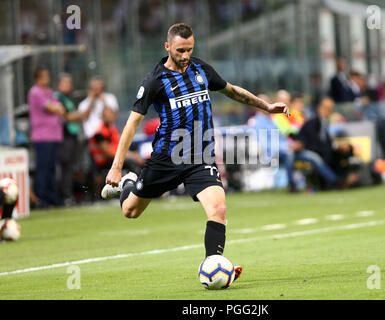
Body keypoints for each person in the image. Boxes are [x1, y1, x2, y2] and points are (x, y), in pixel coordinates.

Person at [101, 23, 290, 282]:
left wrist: (266, 106)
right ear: (167, 47)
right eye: (180, 50)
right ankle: (128, 182)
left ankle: (214, 266)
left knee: (218, 209)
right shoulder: (155, 81)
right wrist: (116, 166)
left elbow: (232, 91)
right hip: (167, 157)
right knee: (130, 211)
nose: (185, 55)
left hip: (200, 156)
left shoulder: (201, 69)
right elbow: (132, 123)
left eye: (190, 49)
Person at [292, 97, 359, 189]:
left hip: (323, 151)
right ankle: (337, 182)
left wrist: (337, 146)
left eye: (331, 109)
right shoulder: (312, 122)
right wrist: (333, 147)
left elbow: (326, 141)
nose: (329, 111)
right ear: (319, 107)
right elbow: (312, 144)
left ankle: (346, 177)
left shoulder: (325, 122)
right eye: (327, 108)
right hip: (313, 152)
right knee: (322, 157)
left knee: (347, 150)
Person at [28, 67, 66, 207]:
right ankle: (40, 197)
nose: (47, 78)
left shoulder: (49, 92)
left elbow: (60, 107)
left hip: (54, 136)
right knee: (43, 168)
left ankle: (50, 196)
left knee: (51, 169)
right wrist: (57, 108)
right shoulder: (35, 92)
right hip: (42, 137)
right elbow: (53, 108)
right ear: (37, 78)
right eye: (44, 76)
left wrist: (57, 107)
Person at [54, 73, 81, 204]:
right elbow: (68, 117)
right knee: (65, 166)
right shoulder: (57, 98)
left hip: (72, 135)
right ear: (59, 84)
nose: (68, 85)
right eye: (65, 82)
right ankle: (65, 195)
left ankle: (68, 194)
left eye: (69, 83)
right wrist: (79, 114)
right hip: (64, 136)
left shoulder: (69, 98)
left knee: (70, 166)